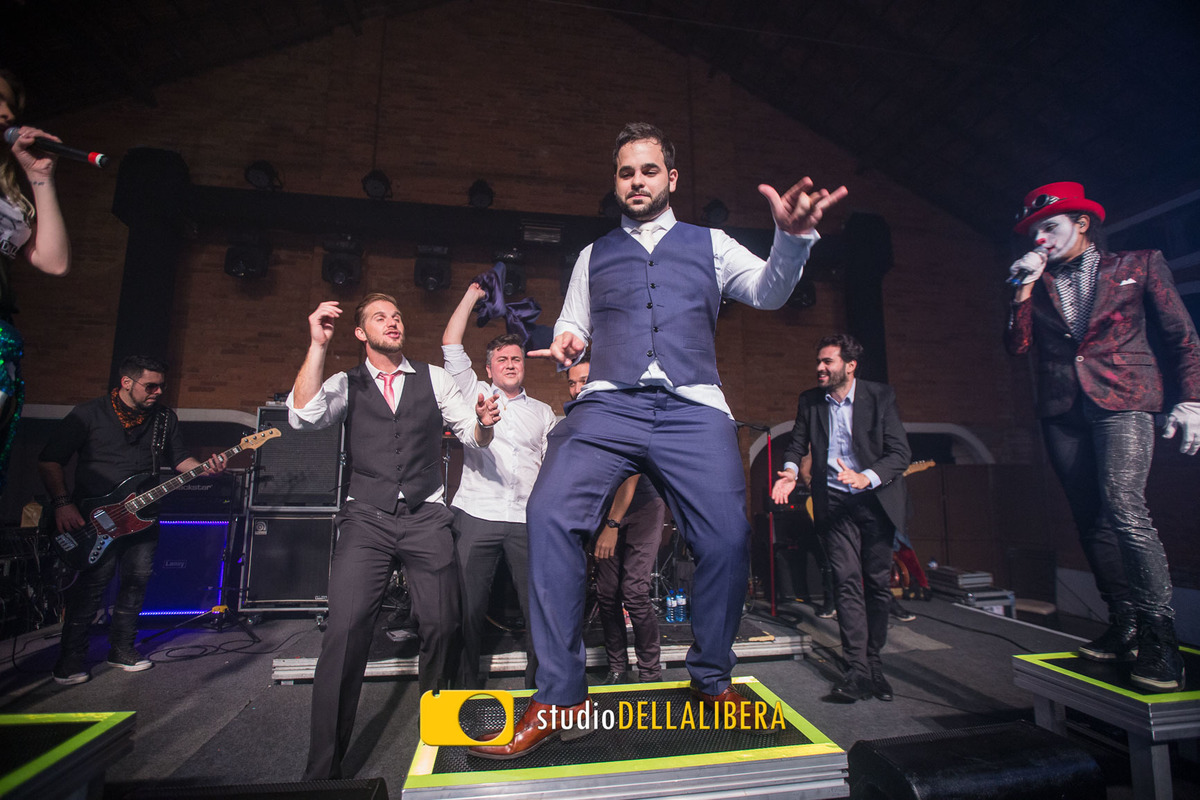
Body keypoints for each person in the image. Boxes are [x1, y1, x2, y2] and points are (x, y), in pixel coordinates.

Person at [470, 122, 847, 759]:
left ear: (671, 179)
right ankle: (558, 695)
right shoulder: (594, 255)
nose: (636, 181)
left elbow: (770, 291)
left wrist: (791, 237)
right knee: (549, 512)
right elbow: (571, 322)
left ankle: (709, 678)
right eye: (625, 172)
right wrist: (566, 339)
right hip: (609, 403)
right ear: (615, 182)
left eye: (648, 170)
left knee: (727, 536)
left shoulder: (711, 243)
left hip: (693, 407)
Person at [289, 293, 499, 780]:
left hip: (426, 516)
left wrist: (485, 426)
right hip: (367, 519)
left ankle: (441, 731)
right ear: (361, 332)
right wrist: (317, 345)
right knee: (343, 634)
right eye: (380, 317)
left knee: (444, 624)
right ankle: (322, 771)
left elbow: (472, 431)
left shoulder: (434, 378)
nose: (393, 322)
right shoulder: (348, 381)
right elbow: (303, 416)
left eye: (398, 315)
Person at [1005, 182, 1200, 692]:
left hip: (1125, 399)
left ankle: (1161, 638)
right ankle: (1126, 624)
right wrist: (1023, 287)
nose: (1042, 237)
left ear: (1082, 223)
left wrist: (1192, 398)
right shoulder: (1038, 280)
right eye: (1035, 231)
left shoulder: (1137, 264)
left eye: (1051, 226)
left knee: (1124, 506)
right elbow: (1017, 345)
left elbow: (1182, 335)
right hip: (1062, 408)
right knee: (1090, 519)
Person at [38, 356, 226, 685]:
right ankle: (69, 659)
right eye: (150, 386)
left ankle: (122, 649)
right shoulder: (88, 414)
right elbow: (50, 460)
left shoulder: (165, 418)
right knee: (92, 586)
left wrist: (203, 466)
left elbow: (179, 458)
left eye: (161, 386)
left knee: (137, 582)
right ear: (127, 382)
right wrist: (62, 504)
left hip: (144, 516)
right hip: (94, 517)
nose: (157, 392)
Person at [771, 334, 911, 703]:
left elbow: (900, 453)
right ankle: (857, 671)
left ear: (849, 365)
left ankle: (874, 662)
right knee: (847, 583)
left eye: (827, 362)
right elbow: (797, 443)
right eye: (818, 362)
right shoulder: (810, 401)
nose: (819, 368)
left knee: (876, 585)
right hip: (834, 502)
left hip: (874, 500)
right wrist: (788, 470)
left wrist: (868, 476)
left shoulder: (880, 396)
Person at [442, 283, 557, 689]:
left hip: (527, 520)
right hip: (477, 514)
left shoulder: (543, 413)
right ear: (488, 368)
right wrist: (473, 295)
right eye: (501, 359)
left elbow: (550, 469)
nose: (510, 363)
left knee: (537, 611)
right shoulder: (474, 392)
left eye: (516, 358)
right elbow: (451, 342)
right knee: (466, 610)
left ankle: (539, 695)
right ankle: (463, 692)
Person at [566, 353, 669, 686]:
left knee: (634, 591)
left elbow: (630, 474)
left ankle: (650, 671)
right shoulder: (580, 418)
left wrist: (611, 526)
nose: (577, 388)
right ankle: (617, 666)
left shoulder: (621, 409)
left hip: (640, 507)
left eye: (583, 380)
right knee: (607, 592)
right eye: (571, 382)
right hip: (604, 512)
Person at [1, 67, 71, 493]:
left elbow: (54, 260)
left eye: (10, 103)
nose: (7, 112)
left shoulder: (10, 194)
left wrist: (40, 175)